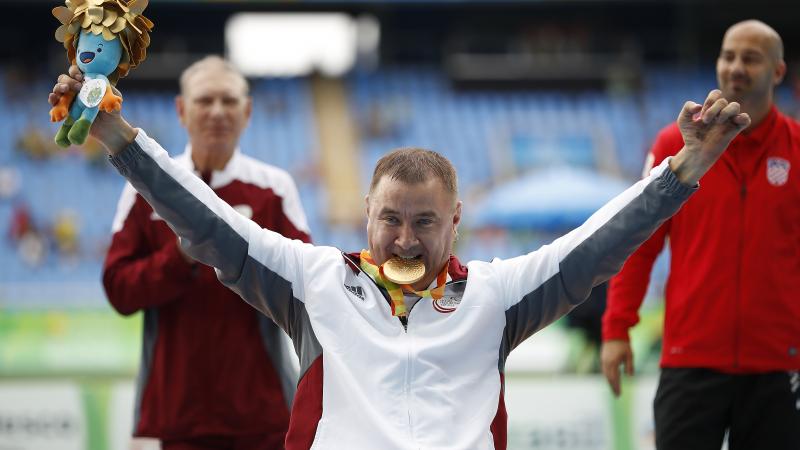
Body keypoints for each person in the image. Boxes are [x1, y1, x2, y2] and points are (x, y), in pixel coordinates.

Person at [51, 63, 749, 449]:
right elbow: (202, 221)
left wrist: (683, 168)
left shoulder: (497, 293)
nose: (406, 239)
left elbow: (600, 243)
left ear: (456, 221)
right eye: (390, 219)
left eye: (424, 222)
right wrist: (116, 132)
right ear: (366, 215)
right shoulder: (314, 280)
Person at [600, 20, 800, 450]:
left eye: (751, 57)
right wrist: (617, 328)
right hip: (689, 360)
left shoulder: (797, 149)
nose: (736, 67)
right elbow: (639, 243)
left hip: (778, 366)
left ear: (778, 72)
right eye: (728, 56)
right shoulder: (678, 143)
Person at [101, 56, 311, 449]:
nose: (217, 112)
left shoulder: (274, 189)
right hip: (180, 418)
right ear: (182, 110)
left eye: (229, 101)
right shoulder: (142, 188)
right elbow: (119, 290)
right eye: (205, 100)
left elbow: (305, 289)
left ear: (247, 112)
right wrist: (178, 260)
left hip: (261, 414)